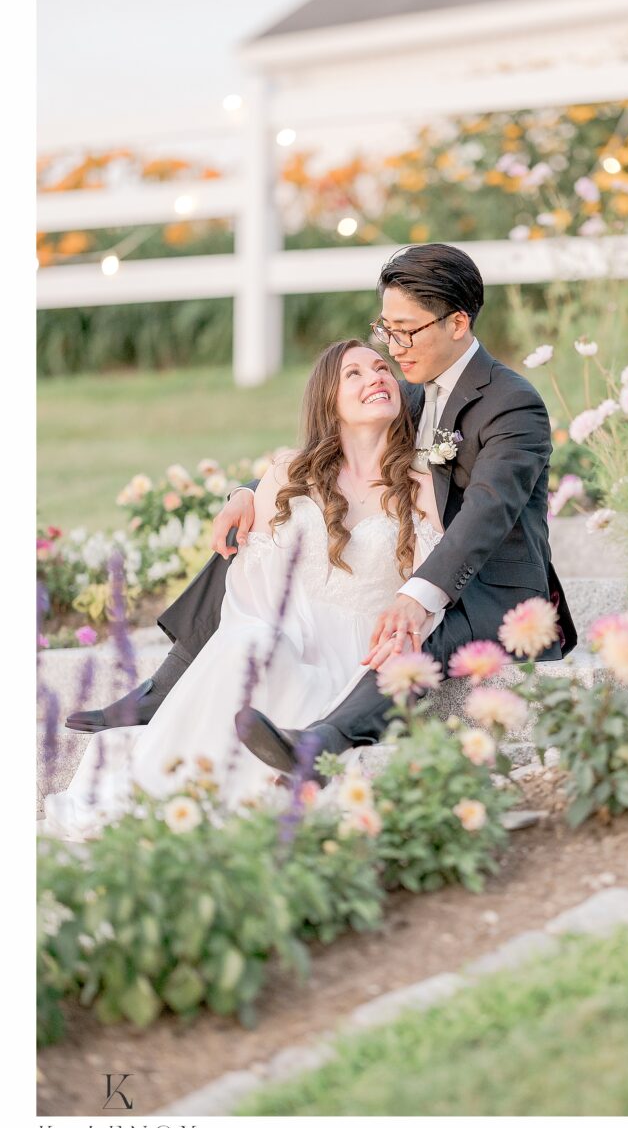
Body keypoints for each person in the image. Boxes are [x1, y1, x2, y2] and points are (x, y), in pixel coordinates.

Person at [67, 245, 576, 786]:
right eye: (386, 328)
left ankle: (322, 740)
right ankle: (166, 688)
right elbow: (334, 445)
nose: (393, 346)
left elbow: (487, 514)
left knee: (425, 624)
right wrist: (249, 494)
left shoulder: (511, 404)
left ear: (457, 322)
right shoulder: (407, 386)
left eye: (406, 330)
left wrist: (418, 594)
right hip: (416, 560)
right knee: (264, 533)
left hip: (488, 588)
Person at [45, 341, 442, 840]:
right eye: (354, 374)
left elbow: (433, 585)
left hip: (358, 660)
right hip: (284, 636)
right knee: (250, 645)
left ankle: (224, 799)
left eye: (382, 368)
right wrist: (245, 496)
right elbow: (254, 585)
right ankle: (179, 799)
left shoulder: (422, 484)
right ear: (328, 401)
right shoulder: (288, 474)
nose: (377, 377)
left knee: (262, 656)